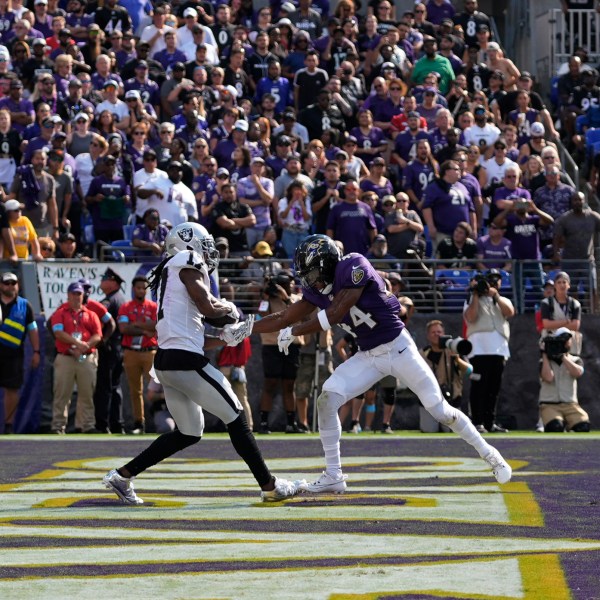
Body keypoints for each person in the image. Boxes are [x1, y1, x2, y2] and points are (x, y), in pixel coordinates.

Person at [221, 234, 512, 492]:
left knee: (440, 411)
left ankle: (492, 456)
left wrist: (294, 331)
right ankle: (334, 475)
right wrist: (246, 328)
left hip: (398, 348)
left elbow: (335, 313)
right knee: (327, 399)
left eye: (311, 273)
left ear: (325, 264)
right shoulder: (318, 288)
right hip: (369, 355)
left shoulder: (354, 266)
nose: (308, 281)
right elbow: (285, 316)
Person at [102, 222, 303, 504]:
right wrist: (231, 310)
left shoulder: (167, 279)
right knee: (236, 415)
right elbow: (209, 308)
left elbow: (194, 333)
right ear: (189, 245)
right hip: (184, 361)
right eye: (205, 246)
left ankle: (122, 476)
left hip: (167, 361)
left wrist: (225, 336)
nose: (209, 253)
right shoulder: (187, 260)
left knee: (189, 431)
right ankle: (269, 485)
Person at [464, 270, 515, 434]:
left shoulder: (502, 300)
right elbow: (470, 317)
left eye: (496, 281)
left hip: (499, 349)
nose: (492, 284)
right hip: (478, 349)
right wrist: (476, 294)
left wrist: (496, 296)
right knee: (479, 387)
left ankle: (490, 422)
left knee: (494, 388)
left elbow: (510, 312)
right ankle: (477, 422)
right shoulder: (472, 300)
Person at [49, 281, 102, 434]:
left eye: (79, 294)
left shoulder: (90, 314)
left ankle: (88, 425)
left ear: (83, 295)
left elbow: (98, 335)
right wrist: (78, 343)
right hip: (66, 357)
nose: (76, 297)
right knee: (62, 393)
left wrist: (85, 346)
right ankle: (58, 426)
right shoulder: (60, 312)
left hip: (86, 357)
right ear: (68, 295)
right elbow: (58, 333)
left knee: (87, 394)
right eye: (73, 293)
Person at [257, 269, 305, 434]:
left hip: (292, 345)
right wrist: (265, 294)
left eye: (290, 282)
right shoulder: (269, 299)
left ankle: (291, 423)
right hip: (271, 345)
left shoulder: (297, 299)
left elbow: (299, 315)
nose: (289, 285)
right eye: (285, 283)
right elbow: (262, 315)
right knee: (270, 383)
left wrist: (285, 297)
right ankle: (263, 423)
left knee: (289, 384)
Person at [0, 272, 40, 434]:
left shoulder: (25, 305)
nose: (10, 286)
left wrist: (36, 351)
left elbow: (33, 330)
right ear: (1, 285)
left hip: (14, 355)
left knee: (12, 389)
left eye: (13, 283)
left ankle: (9, 425)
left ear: (18, 285)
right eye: (6, 283)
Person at [118, 275, 158, 437]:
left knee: (156, 389)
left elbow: (156, 326)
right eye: (138, 287)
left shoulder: (153, 307)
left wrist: (136, 324)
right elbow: (124, 329)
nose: (141, 290)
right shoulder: (126, 307)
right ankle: (139, 423)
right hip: (131, 352)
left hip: (150, 352)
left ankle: (163, 421)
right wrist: (143, 329)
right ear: (133, 289)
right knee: (135, 391)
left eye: (144, 287)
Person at [420, 319, 472, 433]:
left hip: (452, 400)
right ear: (428, 336)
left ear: (444, 333)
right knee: (429, 431)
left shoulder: (453, 350)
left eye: (439, 332)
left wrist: (457, 359)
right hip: (428, 401)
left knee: (452, 431)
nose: (437, 335)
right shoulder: (422, 353)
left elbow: (469, 370)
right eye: (433, 332)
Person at [94, 267, 127, 435]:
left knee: (105, 387)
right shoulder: (119, 298)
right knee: (115, 387)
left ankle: (103, 424)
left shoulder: (110, 301)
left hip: (109, 348)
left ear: (113, 282)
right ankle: (117, 424)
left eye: (105, 278)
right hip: (119, 348)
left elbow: (98, 317)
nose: (102, 280)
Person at [538, 327, 589, 433]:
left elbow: (577, 373)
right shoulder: (544, 361)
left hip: (570, 404)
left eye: (567, 340)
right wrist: (545, 354)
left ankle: (571, 426)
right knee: (555, 427)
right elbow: (548, 378)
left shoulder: (575, 360)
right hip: (550, 404)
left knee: (583, 427)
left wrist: (562, 356)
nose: (565, 343)